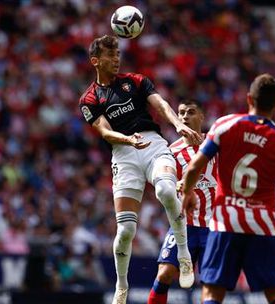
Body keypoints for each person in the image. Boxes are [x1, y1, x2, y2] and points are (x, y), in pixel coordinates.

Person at [180, 73, 275, 304]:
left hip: (225, 221)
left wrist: (188, 191)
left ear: (249, 99)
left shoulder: (224, 125)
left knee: (212, 293)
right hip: (263, 224)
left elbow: (193, 169)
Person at [78, 35, 202, 304]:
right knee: (125, 232)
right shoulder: (89, 98)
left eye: (118, 54)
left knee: (167, 190)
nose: (116, 59)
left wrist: (177, 125)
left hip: (154, 144)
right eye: (110, 56)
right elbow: (103, 131)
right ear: (95, 61)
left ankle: (184, 255)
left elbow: (161, 105)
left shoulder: (135, 81)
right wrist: (127, 140)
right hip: (124, 156)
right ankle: (121, 286)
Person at [148, 99, 217, 303]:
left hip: (212, 227)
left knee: (210, 284)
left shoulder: (215, 146)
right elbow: (162, 184)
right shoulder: (171, 152)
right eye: (181, 113)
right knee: (164, 274)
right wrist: (173, 184)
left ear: (201, 116)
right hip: (183, 226)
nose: (185, 116)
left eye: (191, 112)